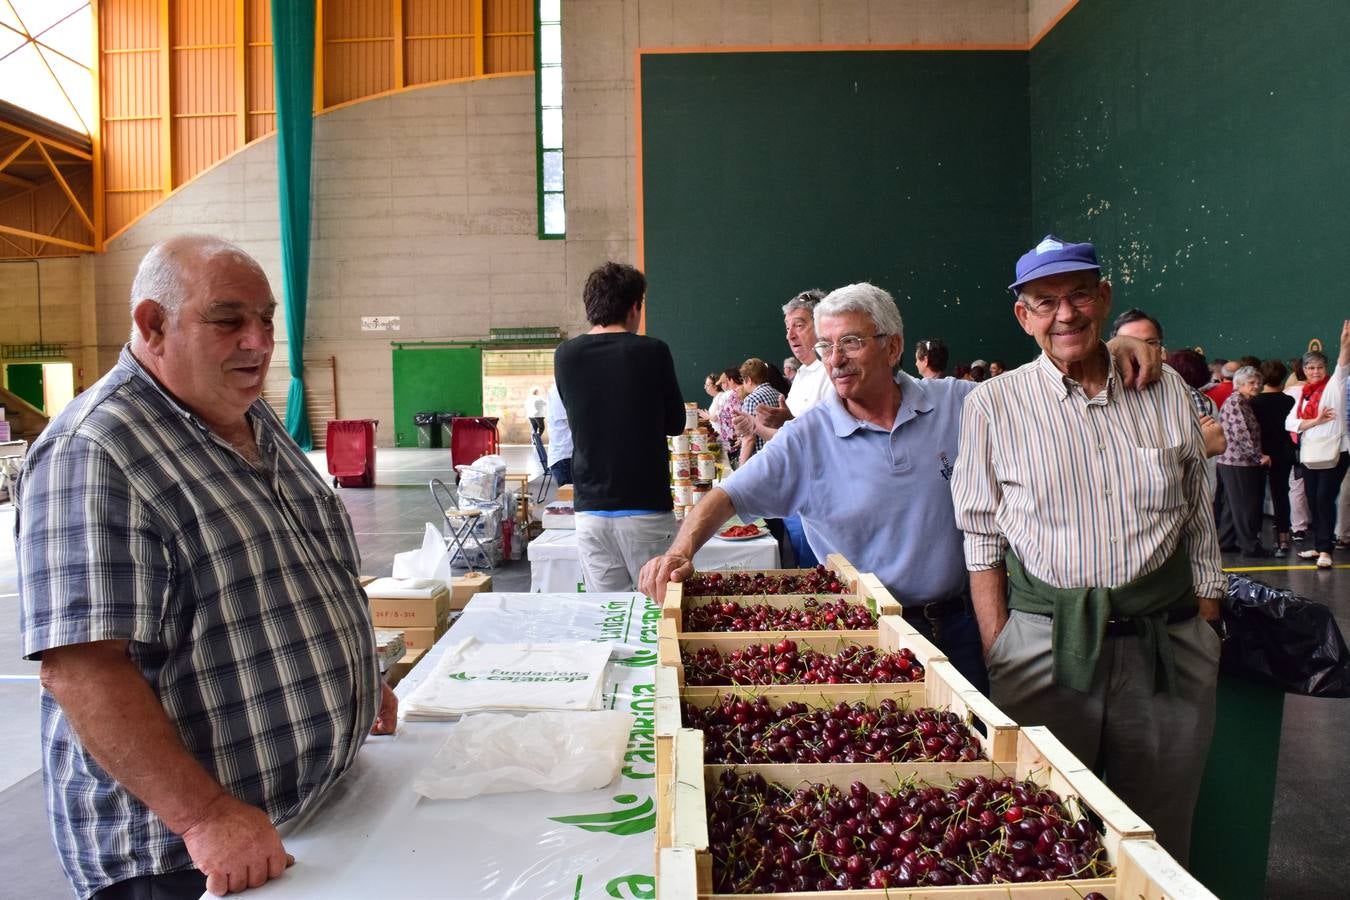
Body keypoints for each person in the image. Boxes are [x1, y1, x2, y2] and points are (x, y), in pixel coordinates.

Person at [16, 236, 397, 900]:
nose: (258, 341)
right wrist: (202, 815)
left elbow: (291, 563)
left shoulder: (244, 411)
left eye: (267, 319)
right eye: (228, 320)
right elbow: (81, 668)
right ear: (152, 325)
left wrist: (352, 683)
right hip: (185, 857)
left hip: (296, 817)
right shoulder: (96, 451)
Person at [639, 278, 1163, 695]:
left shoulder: (960, 403)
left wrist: (1111, 345)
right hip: (869, 635)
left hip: (963, 626)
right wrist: (682, 549)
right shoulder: (808, 437)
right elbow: (726, 495)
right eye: (824, 346)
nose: (834, 358)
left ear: (892, 347)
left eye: (850, 341)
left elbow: (1041, 379)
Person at [951, 234, 1223, 864]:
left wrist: (1208, 624)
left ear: (1103, 297)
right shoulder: (994, 405)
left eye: (1078, 294)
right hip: (1043, 646)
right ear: (1024, 317)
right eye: (1044, 302)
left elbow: (1197, 513)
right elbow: (982, 534)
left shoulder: (1166, 392)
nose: (1064, 314)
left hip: (1166, 645)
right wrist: (1000, 646)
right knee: (1043, 830)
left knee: (1159, 833)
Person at [554, 262, 684, 591]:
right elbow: (676, 423)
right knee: (658, 608)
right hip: (645, 506)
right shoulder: (653, 351)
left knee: (608, 613)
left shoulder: (565, 355)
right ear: (634, 306)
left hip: (591, 511)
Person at [1285, 330, 1350, 570]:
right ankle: (1319, 544)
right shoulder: (1302, 394)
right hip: (1311, 454)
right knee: (1312, 498)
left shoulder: (1335, 385)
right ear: (1303, 370)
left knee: (1324, 498)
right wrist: (1316, 421)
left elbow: (1343, 366)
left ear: (1326, 369)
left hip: (1336, 452)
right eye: (1310, 368)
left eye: (1320, 367)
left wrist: (1344, 345)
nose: (1315, 372)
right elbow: (1289, 423)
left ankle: (1325, 549)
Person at [1216, 366, 1271, 556]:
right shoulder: (1236, 402)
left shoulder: (1242, 401)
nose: (1257, 386)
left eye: (1258, 382)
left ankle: (1225, 541)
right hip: (1238, 462)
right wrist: (1258, 457)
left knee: (1234, 506)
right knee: (1245, 505)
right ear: (1239, 384)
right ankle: (1249, 546)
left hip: (1233, 461)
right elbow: (1241, 434)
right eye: (1251, 383)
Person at [1250, 360, 1296, 557]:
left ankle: (1256, 537)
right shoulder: (1289, 401)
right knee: (1281, 495)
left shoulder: (1254, 402)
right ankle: (1283, 540)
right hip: (1283, 451)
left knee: (1256, 496)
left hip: (1260, 452)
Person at [734, 357, 783, 467]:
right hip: (779, 456)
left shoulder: (751, 399)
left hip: (761, 461)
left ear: (749, 380)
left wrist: (741, 470)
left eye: (743, 380)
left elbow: (749, 438)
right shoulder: (778, 394)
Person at [545, 382, 573, 486]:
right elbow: (572, 422)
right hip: (564, 457)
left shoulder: (563, 388)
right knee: (570, 499)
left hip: (568, 456)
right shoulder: (557, 391)